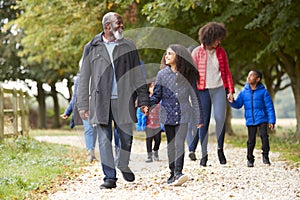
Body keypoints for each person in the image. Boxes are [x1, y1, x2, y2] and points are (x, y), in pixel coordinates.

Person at [76, 12, 149, 189]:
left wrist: (144, 99)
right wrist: (83, 104)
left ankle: (122, 163)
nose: (122, 26)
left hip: (124, 100)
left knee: (126, 139)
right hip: (100, 101)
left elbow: (138, 75)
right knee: (103, 140)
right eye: (119, 23)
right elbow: (84, 77)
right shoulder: (91, 47)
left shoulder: (128, 46)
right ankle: (110, 177)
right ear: (108, 26)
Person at [150, 44, 203, 186]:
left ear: (177, 57)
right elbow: (156, 95)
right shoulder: (162, 74)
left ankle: (179, 172)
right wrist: (146, 105)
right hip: (167, 115)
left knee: (179, 144)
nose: (166, 56)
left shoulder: (188, 74)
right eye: (166, 54)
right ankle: (172, 172)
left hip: (183, 114)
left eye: (170, 54)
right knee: (171, 145)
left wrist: (199, 116)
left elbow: (195, 96)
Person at [191, 22, 235, 167]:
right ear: (210, 37)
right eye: (217, 38)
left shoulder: (221, 52)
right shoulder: (197, 52)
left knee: (220, 118)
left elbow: (227, 72)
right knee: (203, 122)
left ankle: (220, 149)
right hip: (202, 90)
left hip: (219, 89)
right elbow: (192, 75)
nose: (219, 41)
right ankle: (204, 154)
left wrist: (230, 90)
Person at [228, 70, 275, 167]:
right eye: (248, 75)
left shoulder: (263, 92)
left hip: (262, 118)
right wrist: (232, 101)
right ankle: (250, 159)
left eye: (252, 76)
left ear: (258, 79)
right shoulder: (243, 93)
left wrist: (271, 120)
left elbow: (269, 107)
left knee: (264, 137)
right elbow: (238, 105)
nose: (249, 77)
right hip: (250, 119)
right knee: (251, 140)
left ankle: (265, 156)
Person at [60, 73, 97, 163]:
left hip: (96, 106)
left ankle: (92, 149)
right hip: (84, 107)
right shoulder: (79, 79)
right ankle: (90, 152)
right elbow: (75, 97)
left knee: (95, 129)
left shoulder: (99, 74)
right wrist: (67, 112)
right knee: (88, 129)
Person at [186, 45, 199, 161]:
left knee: (199, 125)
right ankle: (191, 149)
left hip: (200, 98)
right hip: (187, 99)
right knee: (189, 125)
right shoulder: (184, 69)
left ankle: (192, 148)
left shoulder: (200, 68)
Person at [145, 82, 162, 163]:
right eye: (151, 87)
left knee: (158, 139)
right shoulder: (146, 99)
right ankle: (149, 155)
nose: (153, 88)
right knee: (149, 139)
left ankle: (155, 151)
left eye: (154, 87)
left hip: (157, 124)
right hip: (148, 124)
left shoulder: (160, 99)